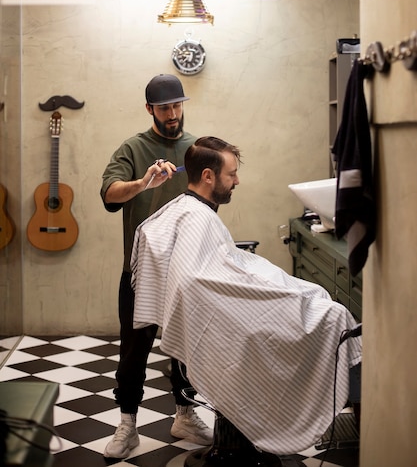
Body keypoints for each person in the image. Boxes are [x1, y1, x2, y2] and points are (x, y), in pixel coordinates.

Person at [130, 136, 362, 457]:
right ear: (208, 176)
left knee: (315, 295)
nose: (237, 180)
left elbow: (214, 269)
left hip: (222, 307)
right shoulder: (195, 217)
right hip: (225, 318)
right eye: (231, 174)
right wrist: (270, 287)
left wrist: (257, 275)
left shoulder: (190, 211)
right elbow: (203, 279)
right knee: (329, 313)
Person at [100, 75, 213, 460]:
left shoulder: (195, 149)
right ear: (149, 109)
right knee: (134, 352)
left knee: (186, 352)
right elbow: (109, 194)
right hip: (140, 273)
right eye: (164, 108)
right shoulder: (133, 147)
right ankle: (128, 424)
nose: (172, 114)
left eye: (177, 106)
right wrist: (143, 184)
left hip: (186, 273)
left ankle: (184, 414)